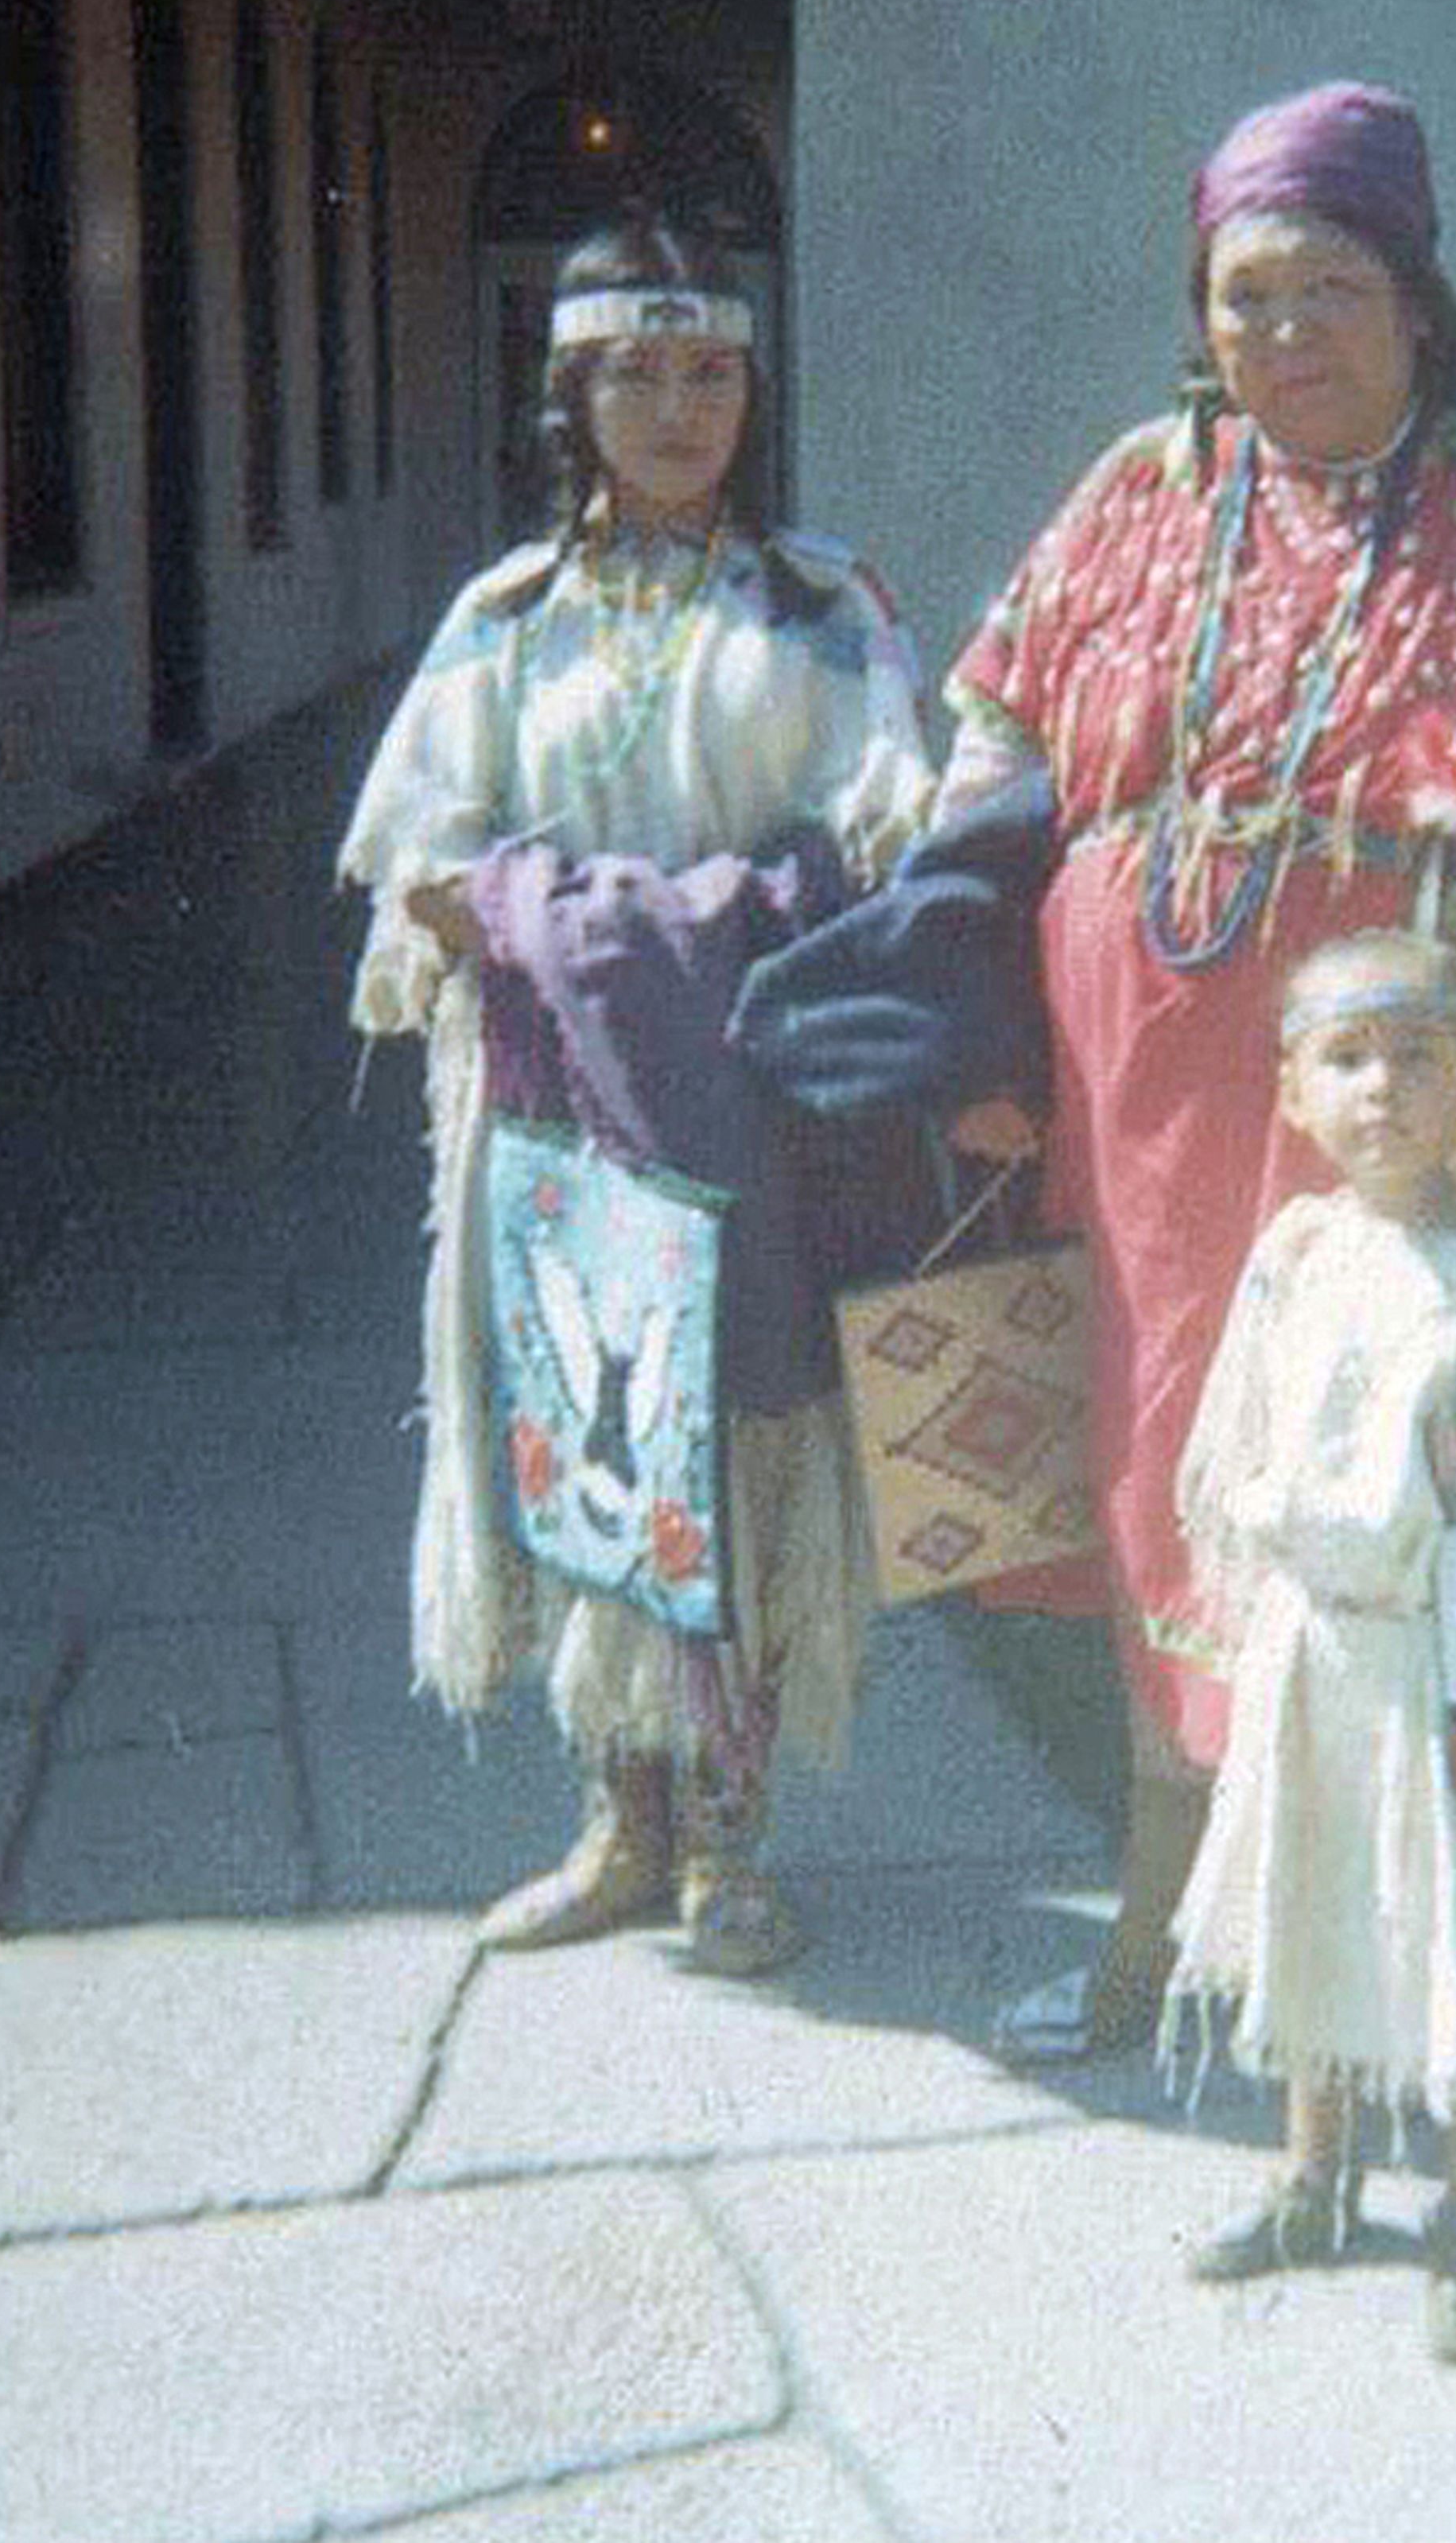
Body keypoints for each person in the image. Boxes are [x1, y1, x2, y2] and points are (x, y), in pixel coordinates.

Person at [934, 83, 1456, 2058]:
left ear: (1415, 294)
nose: (1283, 332)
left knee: (1355, 1474)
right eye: (1244, 294)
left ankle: (1366, 1981)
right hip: (1129, 1092)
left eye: (1328, 287)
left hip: (1373, 1095)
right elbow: (990, 738)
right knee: (1158, 1473)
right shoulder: (1146, 486)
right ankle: (1155, 1936)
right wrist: (968, 1008)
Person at [338, 217, 934, 1973]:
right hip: (542, 1096)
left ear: (756, 386)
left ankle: (731, 1836)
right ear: (570, 394)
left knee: (739, 1439)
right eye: (635, 373)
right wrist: (541, 917)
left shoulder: (822, 606)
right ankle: (620, 1819)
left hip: (744, 1088)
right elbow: (417, 854)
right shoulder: (504, 622)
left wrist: (669, 924)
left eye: (711, 371)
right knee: (581, 1429)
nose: (677, 409)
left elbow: (887, 826)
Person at [1163, 929, 1456, 2364]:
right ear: (1292, 1092)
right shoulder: (1298, 1250)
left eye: (1417, 1057)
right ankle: (1313, 2174)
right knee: (1313, 1893)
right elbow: (1241, 1439)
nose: (1380, 1089)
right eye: (1346, 1059)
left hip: (1440, 1663)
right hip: (1314, 1646)